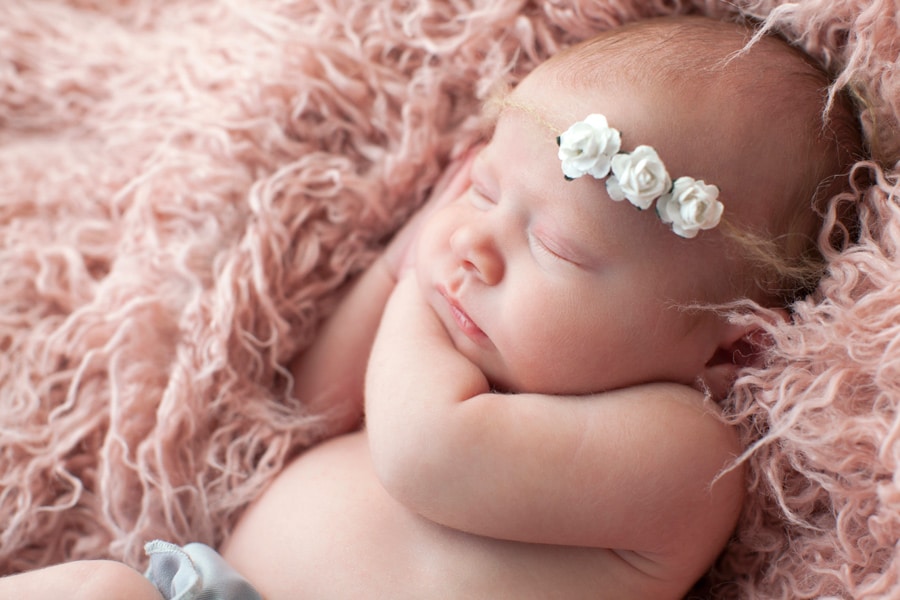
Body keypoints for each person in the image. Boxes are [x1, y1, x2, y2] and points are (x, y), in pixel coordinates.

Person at [0, 14, 861, 600]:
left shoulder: (681, 455)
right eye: (482, 191)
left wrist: (418, 283)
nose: (470, 243)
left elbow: (426, 454)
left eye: (556, 247)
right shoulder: (451, 355)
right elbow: (311, 401)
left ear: (731, 350)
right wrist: (396, 265)